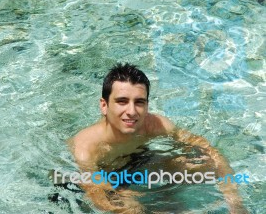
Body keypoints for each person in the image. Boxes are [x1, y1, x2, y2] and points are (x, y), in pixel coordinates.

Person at [68, 63, 248, 213]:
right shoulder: (86, 148)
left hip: (139, 161)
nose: (131, 112)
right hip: (103, 175)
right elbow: (98, 194)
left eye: (139, 102)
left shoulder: (154, 125)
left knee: (197, 165)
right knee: (131, 208)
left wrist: (233, 198)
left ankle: (168, 198)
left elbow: (208, 151)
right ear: (104, 106)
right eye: (122, 101)